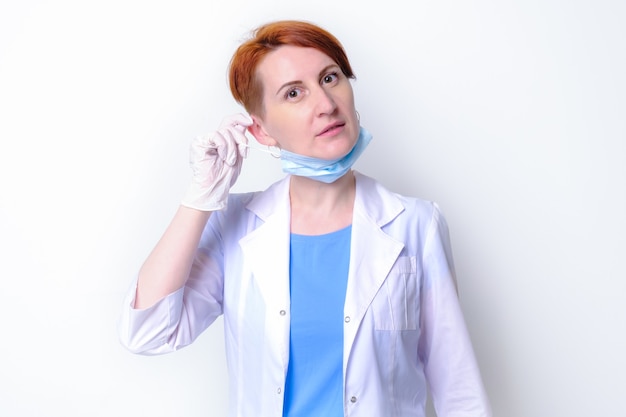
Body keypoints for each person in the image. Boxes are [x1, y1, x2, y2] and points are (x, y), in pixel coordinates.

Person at [119, 19, 492, 417]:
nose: (326, 104)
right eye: (294, 93)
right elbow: (148, 332)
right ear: (261, 131)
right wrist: (201, 198)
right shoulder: (236, 227)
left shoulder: (417, 225)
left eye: (330, 78)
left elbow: (459, 390)